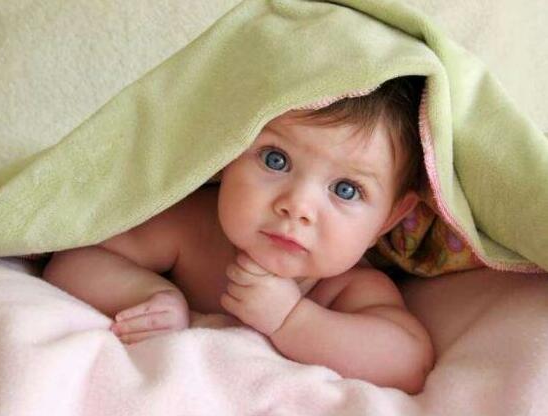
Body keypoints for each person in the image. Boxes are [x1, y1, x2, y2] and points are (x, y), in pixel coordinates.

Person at [43, 76, 434, 394]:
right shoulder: (194, 228)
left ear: (387, 220)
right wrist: (146, 294)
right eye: (275, 160)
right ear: (227, 153)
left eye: (346, 190)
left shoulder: (348, 288)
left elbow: (408, 363)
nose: (297, 205)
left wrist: (293, 320)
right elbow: (75, 258)